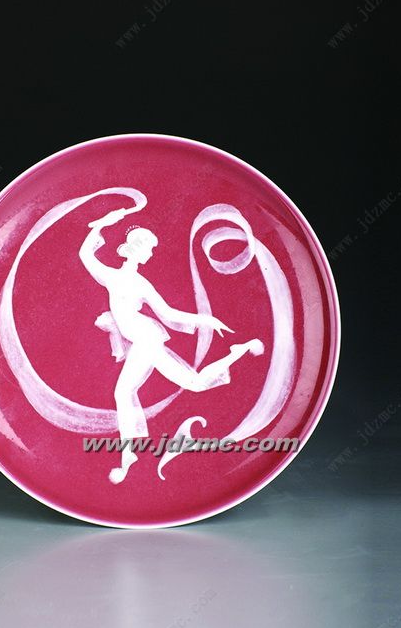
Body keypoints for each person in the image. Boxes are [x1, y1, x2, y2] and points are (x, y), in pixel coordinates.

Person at [80, 206, 264, 484]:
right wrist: (102, 223)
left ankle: (127, 454)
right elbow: (85, 255)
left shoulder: (139, 283)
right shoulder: (115, 276)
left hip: (146, 338)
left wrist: (205, 319)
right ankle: (237, 353)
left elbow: (168, 313)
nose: (151, 254)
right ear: (136, 249)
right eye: (149, 249)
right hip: (144, 338)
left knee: (124, 392)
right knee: (193, 383)